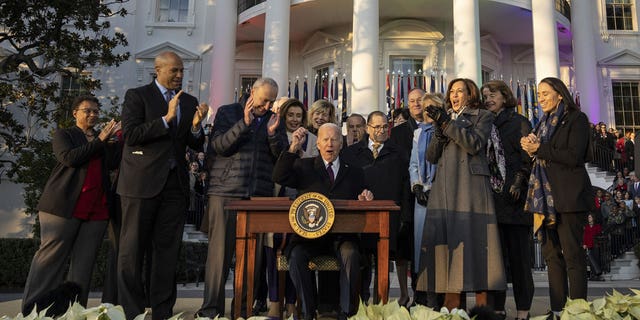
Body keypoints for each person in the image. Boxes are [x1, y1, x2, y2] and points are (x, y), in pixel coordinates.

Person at [116, 51, 208, 320]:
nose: (180, 75)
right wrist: (166, 119)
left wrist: (195, 127)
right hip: (139, 186)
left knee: (167, 252)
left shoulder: (189, 101)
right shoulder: (138, 96)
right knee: (132, 251)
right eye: (174, 71)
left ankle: (162, 311)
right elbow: (131, 135)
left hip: (175, 187)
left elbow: (194, 143)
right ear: (157, 70)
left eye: (182, 71)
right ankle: (131, 312)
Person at [197, 77, 288, 318]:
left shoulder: (274, 120)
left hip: (258, 196)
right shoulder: (228, 112)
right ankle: (210, 311)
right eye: (263, 100)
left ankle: (243, 310)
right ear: (251, 92)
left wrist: (272, 135)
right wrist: (244, 123)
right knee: (219, 256)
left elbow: (282, 159)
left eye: (271, 101)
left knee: (252, 259)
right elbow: (218, 146)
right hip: (225, 192)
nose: (267, 106)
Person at [21, 95, 121, 314]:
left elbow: (112, 164)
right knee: (50, 260)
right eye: (88, 110)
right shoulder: (64, 134)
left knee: (83, 267)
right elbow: (70, 158)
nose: (93, 114)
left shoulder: (101, 139)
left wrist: (117, 141)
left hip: (97, 210)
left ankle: (75, 313)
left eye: (96, 111)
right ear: (75, 113)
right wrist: (101, 140)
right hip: (64, 206)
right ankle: (32, 311)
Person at [419, 78, 506, 311]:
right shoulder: (447, 118)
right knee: (449, 245)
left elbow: (475, 144)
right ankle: (451, 307)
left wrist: (447, 124)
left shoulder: (482, 116)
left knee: (476, 243)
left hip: (470, 188)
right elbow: (431, 156)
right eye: (452, 91)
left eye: (460, 91)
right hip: (445, 188)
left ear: (471, 94)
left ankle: (482, 308)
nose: (455, 95)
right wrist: (440, 128)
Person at [272, 123, 374, 320]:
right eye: (325, 139)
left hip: (342, 238)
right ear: (318, 143)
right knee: (296, 257)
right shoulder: (304, 166)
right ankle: (308, 313)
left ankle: (346, 312)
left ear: (341, 144)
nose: (330, 144)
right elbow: (279, 176)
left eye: (334, 139)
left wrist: (366, 196)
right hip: (309, 238)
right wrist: (293, 148)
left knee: (351, 253)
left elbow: (364, 194)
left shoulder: (355, 172)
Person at [520, 77, 594, 319]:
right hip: (544, 198)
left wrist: (538, 148)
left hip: (569, 197)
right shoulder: (541, 123)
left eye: (544, 93)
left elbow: (574, 156)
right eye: (538, 94)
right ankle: (557, 309)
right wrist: (530, 145)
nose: (540, 98)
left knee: (572, 256)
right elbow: (542, 154)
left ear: (560, 94)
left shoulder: (577, 119)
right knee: (552, 257)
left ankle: (578, 311)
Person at [342, 111, 410, 306]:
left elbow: (405, 185)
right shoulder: (352, 152)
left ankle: (382, 304)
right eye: (377, 127)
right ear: (367, 128)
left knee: (383, 262)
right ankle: (359, 304)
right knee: (360, 261)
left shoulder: (398, 153)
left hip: (388, 217)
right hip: (360, 216)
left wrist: (404, 215)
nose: (381, 131)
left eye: (384, 127)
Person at [481, 80, 534, 320]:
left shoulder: (519, 122)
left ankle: (523, 311)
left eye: (493, 94)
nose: (488, 99)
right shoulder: (483, 123)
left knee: (520, 260)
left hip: (515, 200)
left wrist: (520, 180)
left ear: (505, 96)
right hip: (490, 200)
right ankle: (498, 309)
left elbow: (529, 158)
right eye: (485, 95)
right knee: (495, 262)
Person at [408, 93, 442, 308]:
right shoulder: (418, 133)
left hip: (441, 194)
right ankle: (422, 298)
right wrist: (417, 185)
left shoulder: (446, 131)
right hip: (422, 196)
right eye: (425, 106)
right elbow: (413, 164)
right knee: (421, 246)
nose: (427, 110)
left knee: (440, 247)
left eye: (432, 107)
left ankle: (439, 299)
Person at [583, 213, 603, 281]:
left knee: (596, 259)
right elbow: (585, 236)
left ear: (593, 218)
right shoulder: (586, 227)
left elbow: (599, 234)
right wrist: (584, 244)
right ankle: (594, 274)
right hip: (589, 245)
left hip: (596, 245)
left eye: (590, 217)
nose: (589, 219)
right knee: (591, 260)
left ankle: (597, 274)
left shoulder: (597, 226)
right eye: (588, 217)